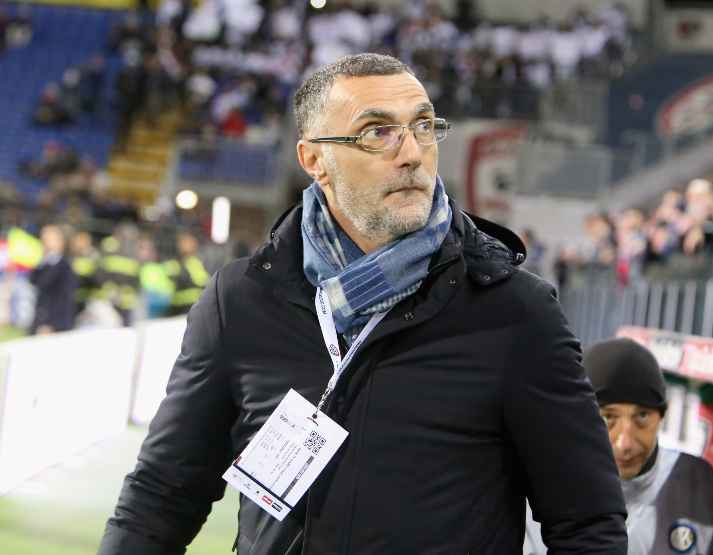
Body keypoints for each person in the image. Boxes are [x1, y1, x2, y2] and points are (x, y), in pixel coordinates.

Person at [98, 53, 627, 554]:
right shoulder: (242, 300)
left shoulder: (515, 311)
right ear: (314, 160)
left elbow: (586, 520)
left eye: (423, 126)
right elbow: (163, 494)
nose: (412, 152)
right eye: (378, 133)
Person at [525, 337, 713, 555]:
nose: (626, 443)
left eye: (642, 416)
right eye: (607, 418)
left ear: (661, 417)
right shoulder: (535, 494)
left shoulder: (697, 487)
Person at [29, 225, 78, 334]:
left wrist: (50, 324)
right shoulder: (42, 264)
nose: (44, 240)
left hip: (54, 325)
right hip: (40, 322)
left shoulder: (65, 267)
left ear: (60, 242)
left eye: (49, 237)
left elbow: (64, 299)